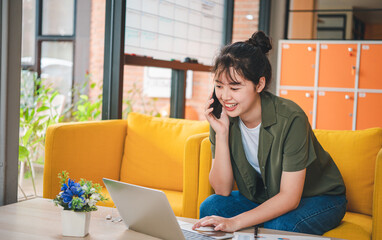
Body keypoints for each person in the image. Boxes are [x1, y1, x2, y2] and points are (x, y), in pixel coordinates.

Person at [192, 31, 347, 235]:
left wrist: (236, 222)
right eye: (219, 86)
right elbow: (222, 190)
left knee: (280, 227)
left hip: (320, 198)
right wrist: (221, 134)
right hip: (266, 196)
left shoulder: (291, 118)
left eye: (235, 87)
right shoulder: (222, 118)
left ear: (260, 84)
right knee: (211, 208)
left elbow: (290, 197)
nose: (225, 96)